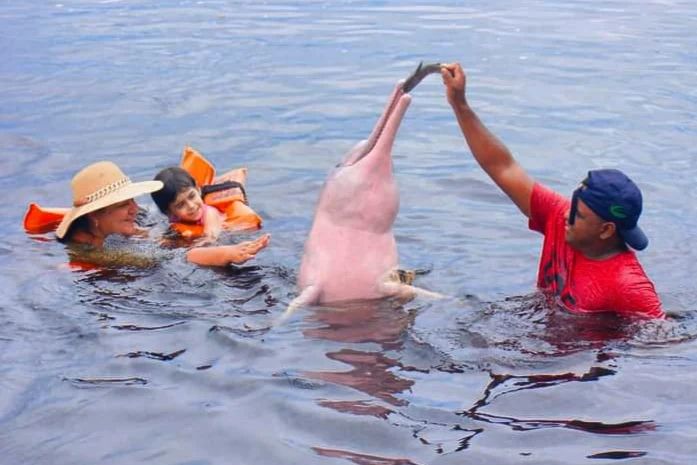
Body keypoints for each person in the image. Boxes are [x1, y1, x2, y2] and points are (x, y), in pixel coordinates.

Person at [440, 63, 664, 319]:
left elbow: (663, 340)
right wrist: (460, 104)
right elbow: (502, 167)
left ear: (606, 230)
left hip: (578, 356)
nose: (566, 217)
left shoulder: (628, 284)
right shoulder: (561, 217)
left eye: (577, 216)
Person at [55, 161, 269, 267]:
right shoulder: (90, 252)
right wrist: (227, 254)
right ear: (95, 215)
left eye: (133, 200)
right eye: (123, 205)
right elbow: (169, 258)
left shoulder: (119, 226)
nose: (135, 209)